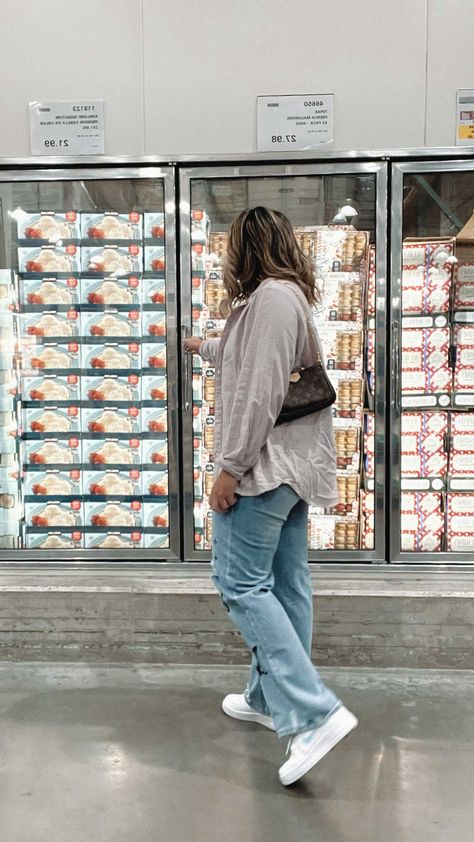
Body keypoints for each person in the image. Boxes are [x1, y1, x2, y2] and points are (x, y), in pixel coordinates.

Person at [183, 206, 358, 787]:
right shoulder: (273, 301)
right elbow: (246, 361)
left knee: (240, 584)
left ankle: (313, 713)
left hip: (265, 468)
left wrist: (229, 468)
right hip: (290, 468)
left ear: (247, 247)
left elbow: (260, 389)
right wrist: (199, 346)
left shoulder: (273, 301)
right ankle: (267, 698)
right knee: (286, 587)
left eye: (231, 246)